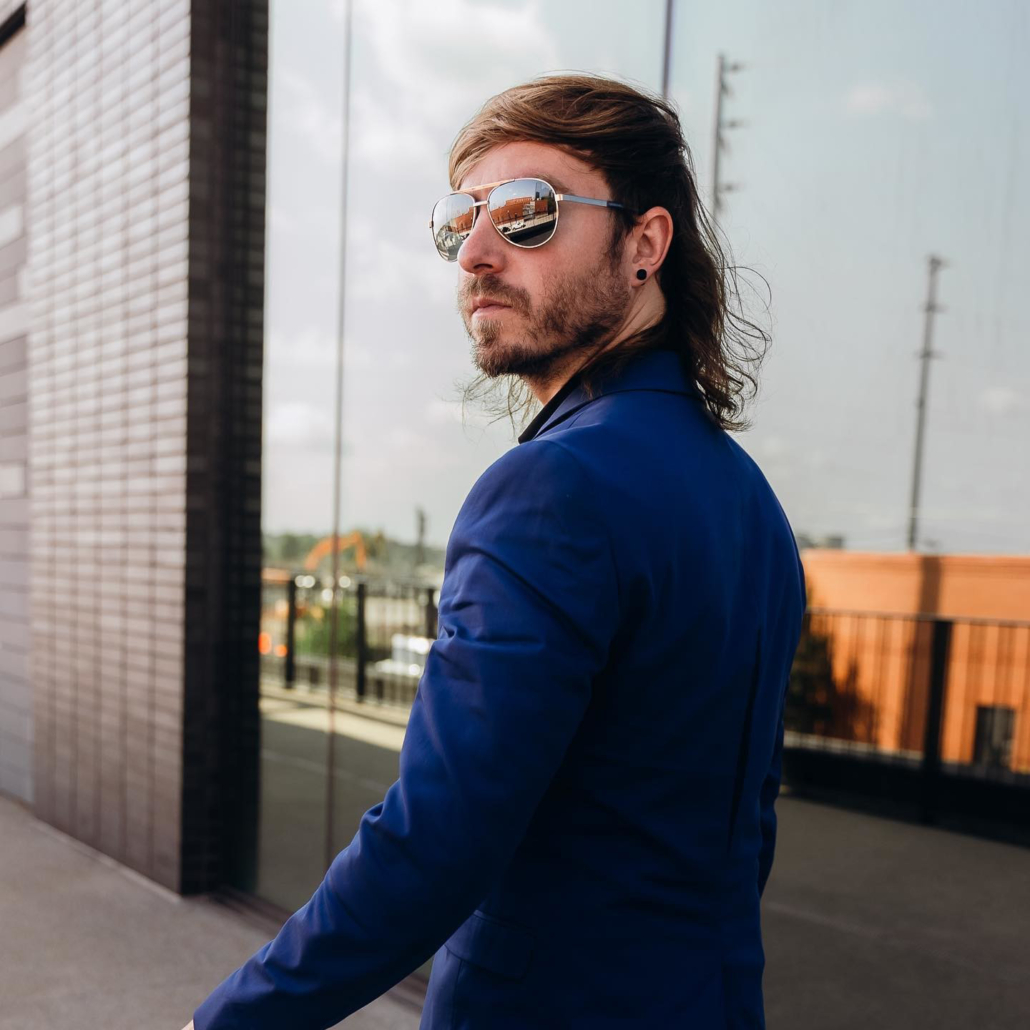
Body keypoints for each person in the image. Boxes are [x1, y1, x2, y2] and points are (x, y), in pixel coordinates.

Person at [188, 73, 807, 1030]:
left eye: (527, 212)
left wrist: (231, 1021)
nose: (475, 252)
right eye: (458, 219)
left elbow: (438, 836)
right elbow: (739, 832)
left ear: (645, 244)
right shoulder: (752, 502)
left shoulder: (548, 490)